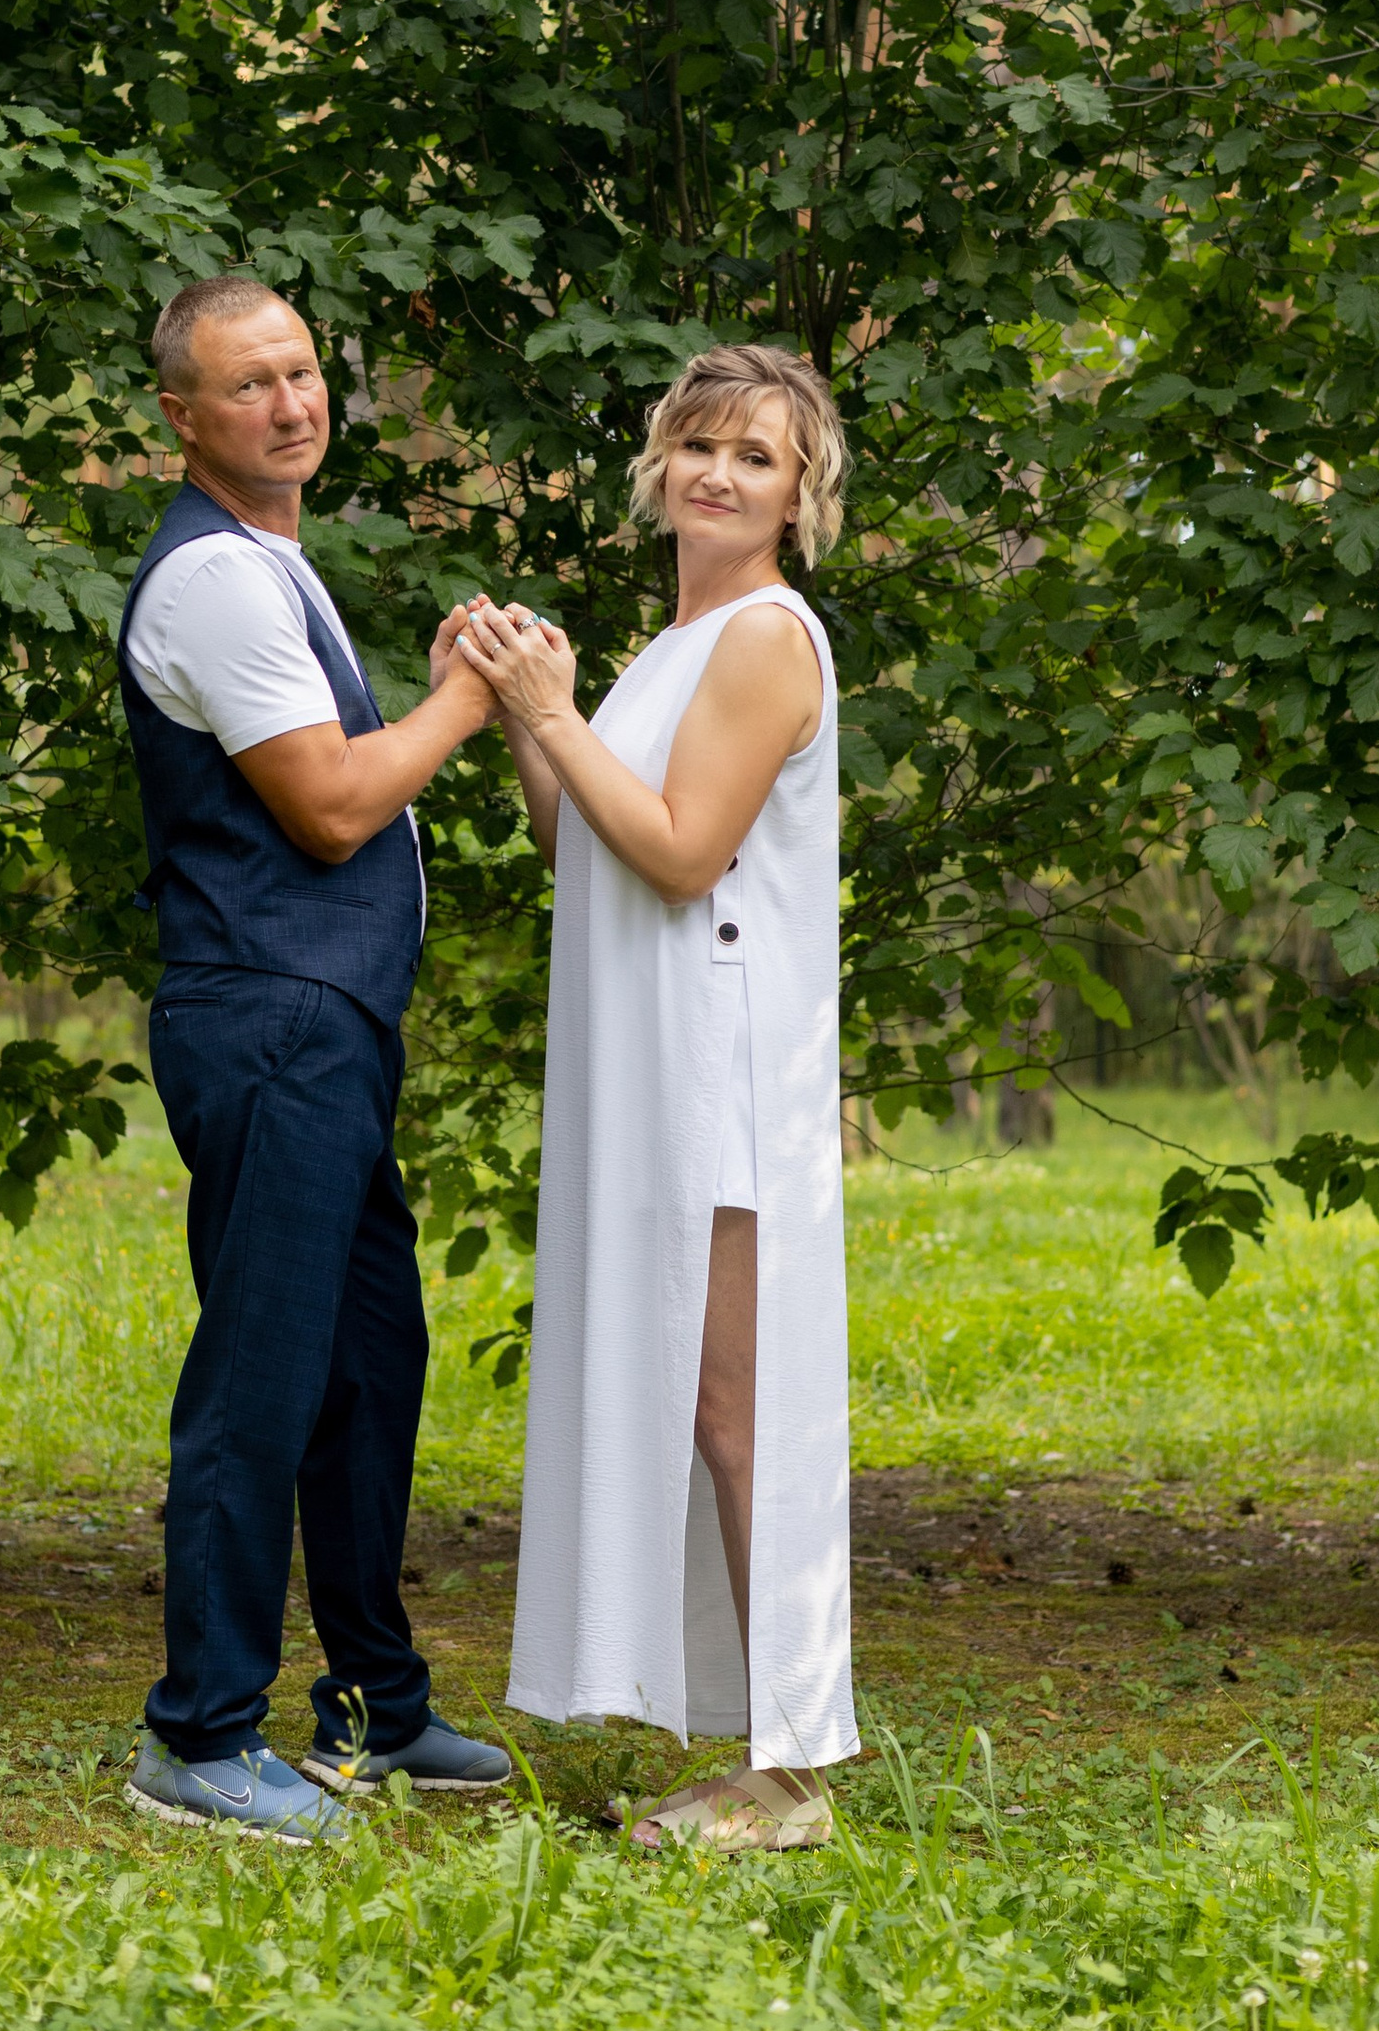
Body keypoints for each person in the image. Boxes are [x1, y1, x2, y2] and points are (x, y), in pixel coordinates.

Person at [117, 275, 515, 1841]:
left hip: (325, 1027)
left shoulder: (273, 564)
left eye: (301, 371)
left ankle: (375, 1709)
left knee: (366, 1366)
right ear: (182, 420)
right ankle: (199, 1739)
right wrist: (468, 697)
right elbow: (337, 807)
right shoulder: (214, 579)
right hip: (271, 1019)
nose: (291, 402)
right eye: (248, 384)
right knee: (263, 1382)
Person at [458, 342, 854, 1852]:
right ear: (659, 466)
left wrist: (558, 716)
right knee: (697, 1402)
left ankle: (791, 1772)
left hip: (722, 1064)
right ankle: (744, 1741)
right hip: (650, 1057)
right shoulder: (669, 645)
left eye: (756, 456)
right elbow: (589, 854)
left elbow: (687, 854)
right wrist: (523, 715)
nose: (718, 473)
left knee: (741, 1413)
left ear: (798, 494)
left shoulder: (764, 637)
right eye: (698, 445)